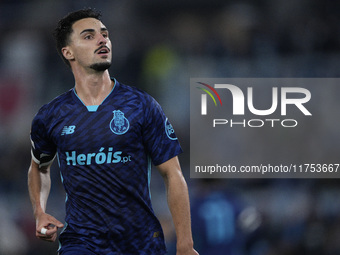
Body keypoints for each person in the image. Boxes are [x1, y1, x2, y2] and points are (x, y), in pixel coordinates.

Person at [28, 8, 198, 255]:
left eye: (104, 34)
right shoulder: (51, 115)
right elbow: (39, 167)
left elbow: (173, 175)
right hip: (82, 241)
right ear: (68, 52)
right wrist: (39, 212)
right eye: (88, 36)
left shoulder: (141, 105)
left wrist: (185, 243)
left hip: (140, 242)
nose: (102, 39)